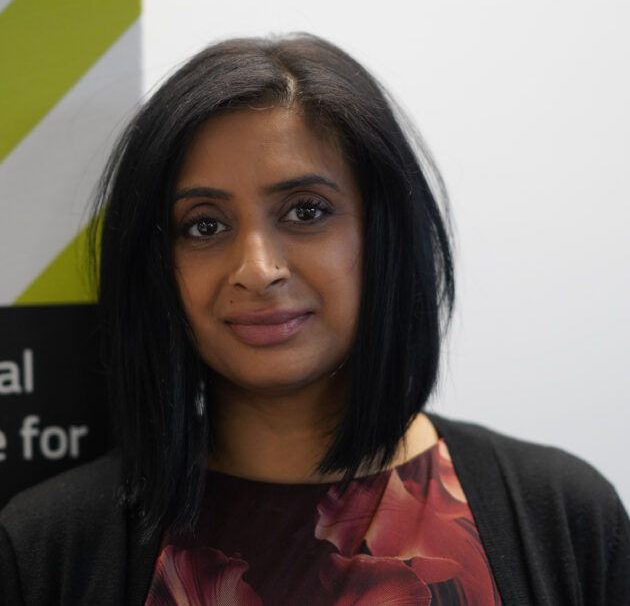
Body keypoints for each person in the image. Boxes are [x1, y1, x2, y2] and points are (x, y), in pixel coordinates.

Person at [0, 33, 628, 605]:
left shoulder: (563, 516)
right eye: (205, 225)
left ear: (385, 235)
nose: (258, 269)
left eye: (306, 211)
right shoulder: (46, 549)